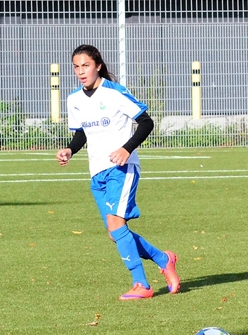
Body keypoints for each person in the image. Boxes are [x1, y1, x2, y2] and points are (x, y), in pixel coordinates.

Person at [56, 44, 180, 301]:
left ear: (98, 66)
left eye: (86, 66)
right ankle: (163, 259)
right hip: (97, 173)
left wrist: (126, 149)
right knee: (115, 234)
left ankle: (141, 284)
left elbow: (146, 122)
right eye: (76, 67)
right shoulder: (74, 99)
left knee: (116, 226)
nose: (81, 71)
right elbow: (82, 133)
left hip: (122, 169)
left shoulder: (114, 92)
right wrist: (70, 150)